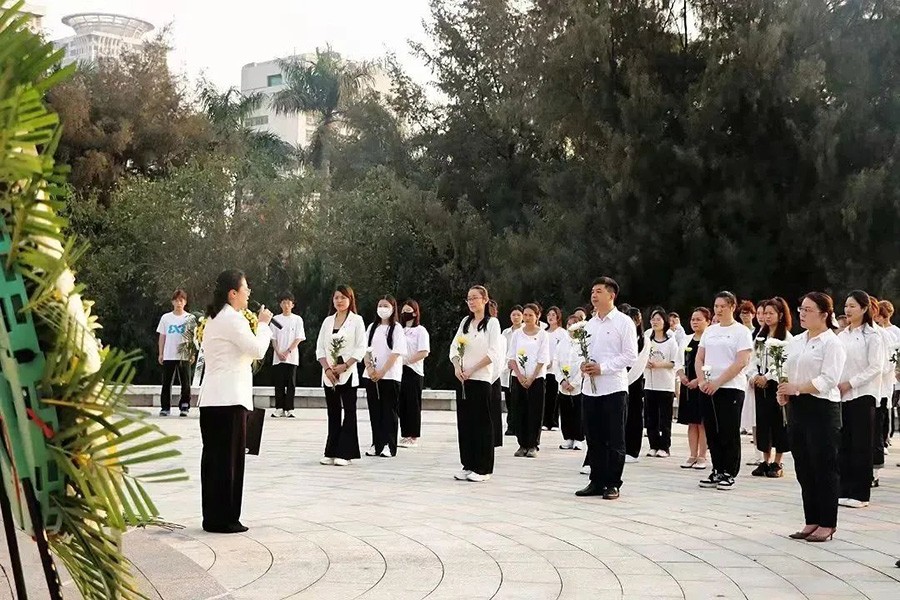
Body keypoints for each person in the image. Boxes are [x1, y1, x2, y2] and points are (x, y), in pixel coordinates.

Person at [198, 270, 273, 533]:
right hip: (229, 400)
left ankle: (213, 517)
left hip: (213, 399)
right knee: (229, 462)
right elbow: (257, 350)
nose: (248, 293)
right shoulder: (232, 319)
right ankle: (226, 518)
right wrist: (263, 325)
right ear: (233, 293)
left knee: (214, 461)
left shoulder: (214, 318)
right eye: (245, 288)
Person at [778, 292, 846, 543]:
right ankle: (812, 519)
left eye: (808, 310)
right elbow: (786, 371)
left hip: (822, 408)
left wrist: (797, 388)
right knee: (804, 465)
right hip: (798, 407)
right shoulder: (797, 341)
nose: (802, 314)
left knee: (824, 466)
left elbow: (829, 379)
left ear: (824, 314)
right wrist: (784, 391)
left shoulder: (832, 343)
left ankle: (827, 523)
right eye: (801, 309)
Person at [575, 277, 638, 500]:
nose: (594, 295)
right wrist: (583, 365)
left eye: (599, 291)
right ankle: (596, 480)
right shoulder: (588, 325)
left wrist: (603, 368)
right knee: (594, 437)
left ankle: (613, 483)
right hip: (590, 390)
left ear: (611, 295)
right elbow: (580, 352)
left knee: (614, 437)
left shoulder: (624, 322)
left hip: (613, 388)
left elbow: (630, 355)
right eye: (592, 291)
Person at [696, 291, 753, 491]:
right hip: (708, 388)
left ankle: (729, 472)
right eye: (716, 306)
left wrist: (718, 382)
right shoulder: (710, 331)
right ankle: (717, 469)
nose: (718, 310)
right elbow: (699, 357)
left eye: (723, 306)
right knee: (712, 430)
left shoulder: (741, 332)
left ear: (732, 307)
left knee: (729, 430)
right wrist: (702, 381)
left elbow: (741, 361)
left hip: (730, 387)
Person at [835, 290, 883, 508]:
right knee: (844, 444)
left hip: (863, 394)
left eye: (852, 306)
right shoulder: (841, 336)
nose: (847, 310)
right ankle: (844, 489)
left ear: (864, 309)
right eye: (846, 306)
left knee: (861, 445)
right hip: (841, 396)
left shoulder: (873, 335)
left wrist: (850, 383)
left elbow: (875, 367)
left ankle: (860, 494)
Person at [450, 285, 503, 482]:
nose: (471, 302)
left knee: (482, 424)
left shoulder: (492, 323)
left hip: (481, 379)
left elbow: (493, 352)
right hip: (464, 379)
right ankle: (468, 464)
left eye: (475, 298)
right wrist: (457, 367)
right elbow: (454, 347)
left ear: (485, 300)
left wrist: (473, 369)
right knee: (465, 423)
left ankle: (483, 468)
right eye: (469, 298)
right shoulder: (465, 322)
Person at [316, 285, 366, 466]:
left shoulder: (357, 320)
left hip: (348, 373)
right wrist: (327, 369)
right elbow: (320, 348)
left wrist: (345, 365)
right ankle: (331, 451)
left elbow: (360, 347)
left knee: (349, 412)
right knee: (333, 413)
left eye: (343, 297)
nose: (339, 301)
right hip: (329, 375)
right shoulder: (327, 321)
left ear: (350, 300)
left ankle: (346, 453)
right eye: (336, 297)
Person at [750, 297, 793, 478]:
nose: (767, 317)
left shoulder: (786, 338)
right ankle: (765, 460)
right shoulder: (760, 336)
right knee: (763, 422)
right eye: (765, 313)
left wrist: (767, 377)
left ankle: (777, 461)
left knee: (778, 422)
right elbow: (753, 358)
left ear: (780, 315)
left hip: (776, 383)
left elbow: (784, 362)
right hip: (760, 385)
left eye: (771, 313)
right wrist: (754, 375)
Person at [363, 296, 407, 458]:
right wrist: (370, 369)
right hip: (371, 376)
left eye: (386, 306)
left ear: (393, 308)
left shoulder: (397, 329)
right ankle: (377, 443)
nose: (382, 308)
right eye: (380, 305)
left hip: (390, 376)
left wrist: (382, 372)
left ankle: (389, 444)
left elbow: (396, 353)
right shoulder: (372, 327)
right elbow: (365, 349)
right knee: (375, 411)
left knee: (389, 411)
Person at [507, 303, 550, 458]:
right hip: (519, 378)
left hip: (536, 378)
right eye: (525, 315)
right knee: (519, 411)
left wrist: (531, 377)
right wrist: (520, 375)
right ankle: (522, 444)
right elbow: (512, 357)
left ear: (537, 316)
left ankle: (533, 444)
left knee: (535, 411)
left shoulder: (543, 334)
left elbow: (543, 358)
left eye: (530, 315)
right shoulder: (517, 334)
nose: (527, 318)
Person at [644, 307, 682, 459]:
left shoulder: (671, 342)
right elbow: (640, 357)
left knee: (665, 418)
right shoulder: (647, 340)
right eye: (653, 319)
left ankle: (664, 447)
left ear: (664, 322)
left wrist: (658, 365)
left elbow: (674, 362)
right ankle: (653, 445)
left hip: (666, 385)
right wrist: (645, 363)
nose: (655, 322)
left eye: (658, 319)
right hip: (650, 384)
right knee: (650, 417)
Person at [676, 308, 711, 469]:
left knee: (702, 422)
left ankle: (702, 456)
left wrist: (698, 380)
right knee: (691, 422)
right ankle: (692, 454)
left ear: (708, 321)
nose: (695, 322)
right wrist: (682, 376)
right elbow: (678, 361)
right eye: (693, 319)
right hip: (687, 385)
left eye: (699, 319)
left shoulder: (709, 340)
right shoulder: (686, 339)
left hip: (703, 385)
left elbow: (710, 364)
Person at [398, 300, 430, 448]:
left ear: (415, 313)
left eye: (408, 311)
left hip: (413, 370)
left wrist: (407, 361)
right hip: (399, 370)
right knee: (402, 403)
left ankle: (413, 435)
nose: (405, 313)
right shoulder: (400, 330)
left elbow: (424, 352)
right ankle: (405, 434)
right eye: (403, 311)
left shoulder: (420, 331)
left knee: (412, 404)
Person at [156, 288, 193, 417]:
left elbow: (192, 337)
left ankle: (185, 406)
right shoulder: (166, 318)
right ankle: (165, 407)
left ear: (185, 302)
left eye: (181, 300)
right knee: (166, 382)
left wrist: (192, 353)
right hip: (169, 354)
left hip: (184, 355)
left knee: (186, 382)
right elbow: (162, 336)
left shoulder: (190, 318)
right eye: (176, 301)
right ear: (172, 302)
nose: (179, 303)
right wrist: (161, 353)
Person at [270, 291, 306, 418]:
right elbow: (273, 338)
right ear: (280, 304)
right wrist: (278, 352)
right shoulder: (275, 320)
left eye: (288, 303)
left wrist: (287, 351)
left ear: (292, 305)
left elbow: (299, 337)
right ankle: (279, 408)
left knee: (291, 383)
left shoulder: (297, 319)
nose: (286, 305)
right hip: (278, 357)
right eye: (284, 302)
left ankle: (290, 408)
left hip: (292, 357)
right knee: (279, 383)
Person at [556, 313, 585, 450]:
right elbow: (556, 363)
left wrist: (575, 383)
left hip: (578, 384)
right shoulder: (562, 343)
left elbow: (584, 364)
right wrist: (562, 380)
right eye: (569, 324)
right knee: (566, 411)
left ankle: (579, 438)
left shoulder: (583, 344)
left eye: (574, 324)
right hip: (564, 384)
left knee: (578, 411)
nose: (571, 327)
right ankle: (568, 437)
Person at [624, 306, 645, 462]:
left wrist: (627, 379)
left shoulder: (644, 340)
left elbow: (639, 364)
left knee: (635, 415)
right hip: (621, 381)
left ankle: (633, 450)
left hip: (635, 381)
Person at [543, 306, 567, 432]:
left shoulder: (562, 333)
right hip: (543, 369)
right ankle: (545, 421)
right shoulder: (543, 333)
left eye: (553, 314)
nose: (550, 317)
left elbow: (563, 350)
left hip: (555, 369)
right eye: (549, 314)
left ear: (558, 317)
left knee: (554, 396)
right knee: (545, 396)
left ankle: (554, 422)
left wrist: (553, 361)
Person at [502, 305, 524, 436]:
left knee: (519, 399)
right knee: (509, 399)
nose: (516, 317)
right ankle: (511, 425)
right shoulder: (505, 333)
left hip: (521, 369)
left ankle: (519, 425)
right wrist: (507, 364)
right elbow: (502, 350)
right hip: (507, 369)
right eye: (513, 315)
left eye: (518, 315)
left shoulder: (525, 331)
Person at [488, 300, 505, 447]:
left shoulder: (501, 337)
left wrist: (492, 376)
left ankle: (495, 438)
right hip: (480, 376)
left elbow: (500, 359)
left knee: (494, 408)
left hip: (493, 377)